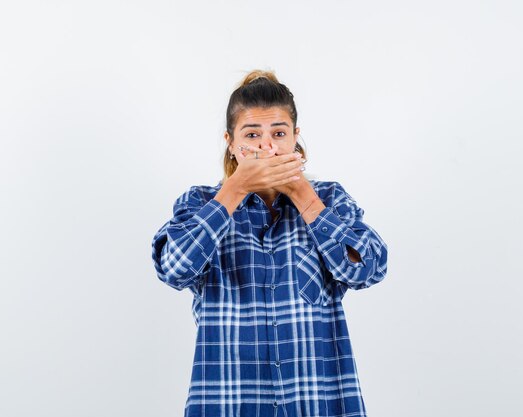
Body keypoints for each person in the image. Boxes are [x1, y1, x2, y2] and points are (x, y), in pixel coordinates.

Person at [150, 69, 388, 417]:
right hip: (228, 402)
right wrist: (234, 190)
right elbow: (173, 269)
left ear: (296, 139)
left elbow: (370, 268)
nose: (267, 146)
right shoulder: (201, 203)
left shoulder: (330, 199)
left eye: (279, 133)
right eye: (252, 134)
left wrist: (302, 195)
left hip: (318, 404)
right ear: (231, 142)